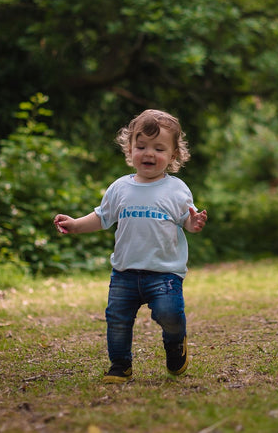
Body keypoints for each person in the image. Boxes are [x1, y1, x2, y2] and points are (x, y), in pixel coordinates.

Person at [53, 109, 207, 383]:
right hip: (124, 272)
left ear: (173, 156)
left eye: (159, 148)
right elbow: (102, 217)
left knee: (170, 315)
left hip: (164, 273)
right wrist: (76, 224)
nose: (149, 153)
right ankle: (120, 365)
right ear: (130, 148)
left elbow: (186, 220)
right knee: (118, 321)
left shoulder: (177, 189)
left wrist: (193, 225)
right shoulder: (120, 188)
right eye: (142, 146)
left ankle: (175, 346)